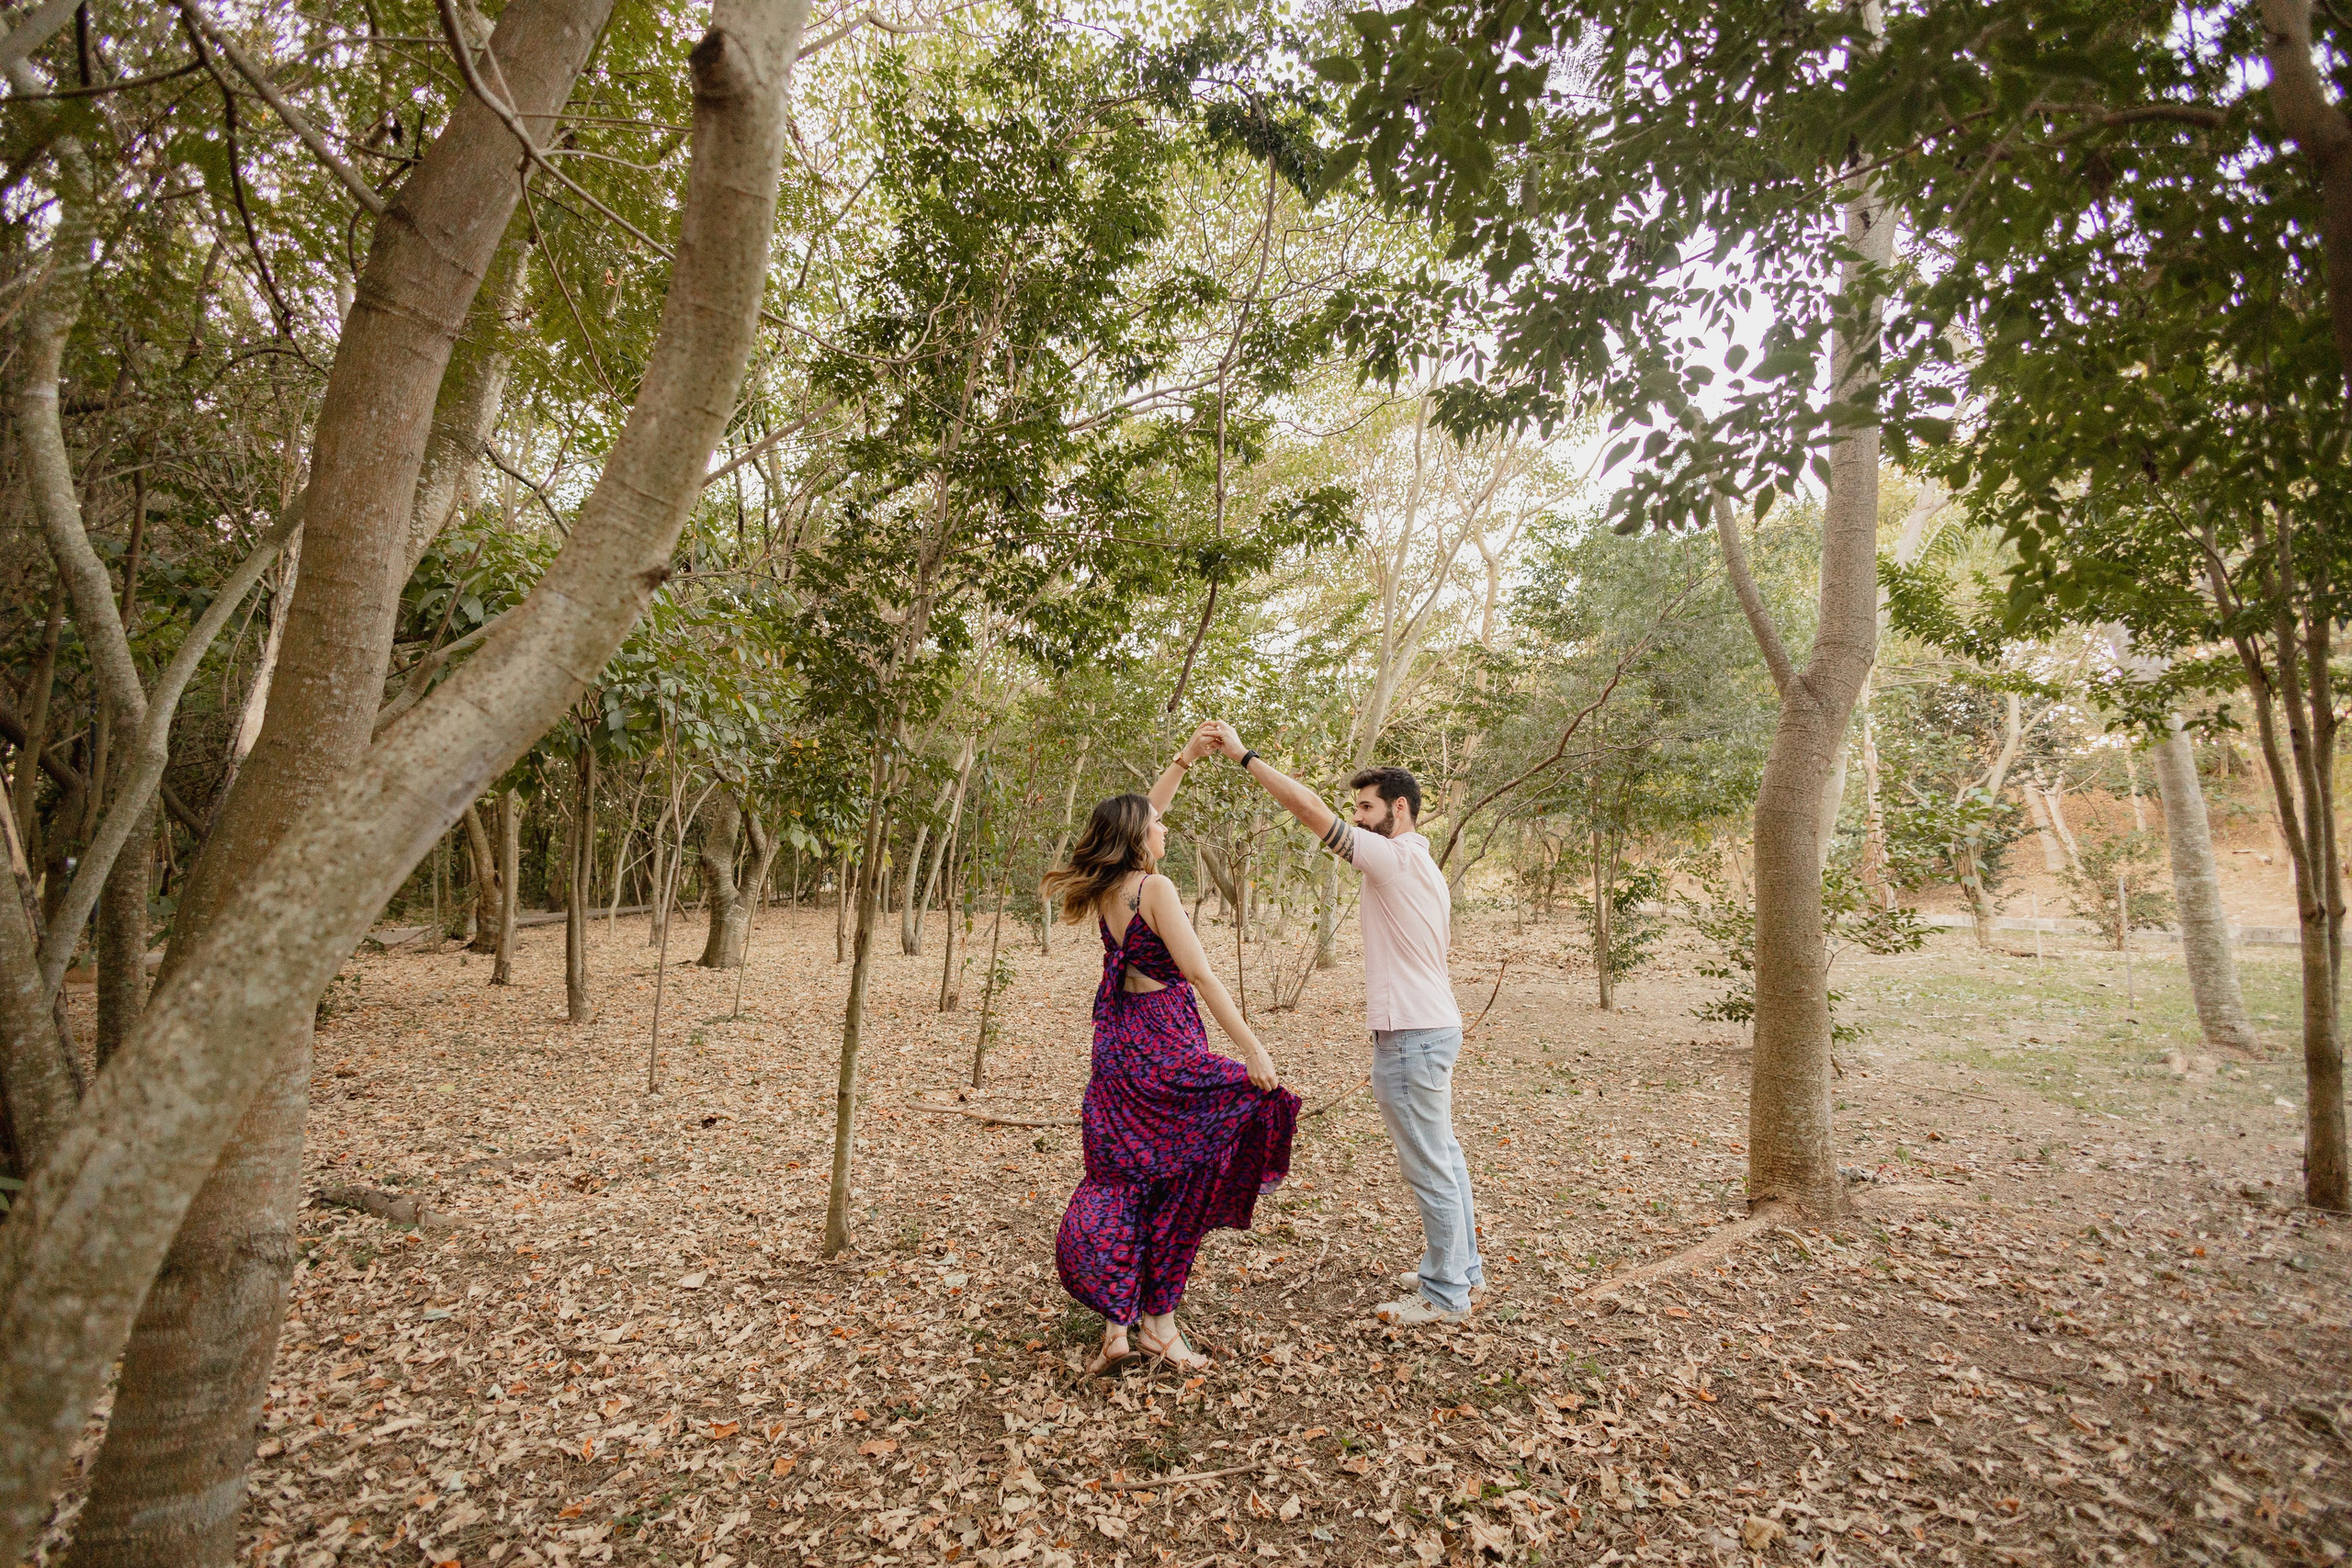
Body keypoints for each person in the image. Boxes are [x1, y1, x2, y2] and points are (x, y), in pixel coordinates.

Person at [1199, 720, 1479, 1326]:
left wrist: (1246, 756)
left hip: (1412, 1035)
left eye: (1365, 806)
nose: (1356, 815)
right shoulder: (1423, 865)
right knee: (1445, 1156)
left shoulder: (1394, 859)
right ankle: (1457, 1266)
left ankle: (1446, 1293)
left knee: (1430, 1163)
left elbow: (1307, 808)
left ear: (1397, 810)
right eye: (1355, 806)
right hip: (1432, 1027)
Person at [1045, 736, 1298, 1376]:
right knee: (1186, 1167)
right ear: (1139, 838)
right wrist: (1255, 1048)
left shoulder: (1111, 888)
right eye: (1158, 824)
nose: (1166, 825)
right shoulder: (1154, 888)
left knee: (1128, 1174)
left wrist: (1184, 760)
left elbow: (1138, 813)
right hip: (1162, 1038)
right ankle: (1158, 1321)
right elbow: (1203, 974)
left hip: (1117, 1045)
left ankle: (1118, 1328)